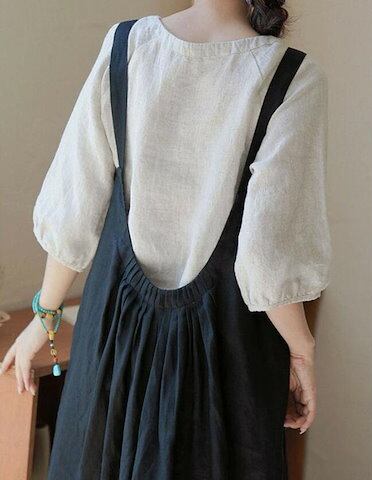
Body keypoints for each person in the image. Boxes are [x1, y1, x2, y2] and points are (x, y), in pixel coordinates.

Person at [0, 1, 331, 478]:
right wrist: (301, 350)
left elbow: (75, 203)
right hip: (224, 361)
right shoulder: (292, 77)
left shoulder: (127, 46)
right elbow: (266, 259)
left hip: (112, 348)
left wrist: (44, 316)